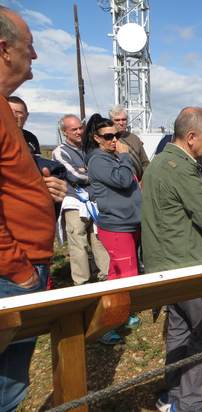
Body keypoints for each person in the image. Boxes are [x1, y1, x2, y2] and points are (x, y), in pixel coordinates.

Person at [141, 107, 202, 412]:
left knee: (179, 330)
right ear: (192, 137)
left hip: (163, 266)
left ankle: (172, 393)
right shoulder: (184, 169)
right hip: (191, 266)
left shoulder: (158, 163)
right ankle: (189, 403)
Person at [0, 6, 57, 410]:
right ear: (4, 49)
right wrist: (18, 271)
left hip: (19, 267)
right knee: (6, 387)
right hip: (10, 273)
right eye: (30, 47)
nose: (34, 56)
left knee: (12, 381)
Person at [83, 114, 142, 343]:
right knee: (124, 276)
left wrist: (124, 157)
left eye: (116, 135)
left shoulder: (112, 156)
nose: (114, 140)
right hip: (117, 225)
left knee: (119, 274)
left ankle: (119, 314)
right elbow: (123, 181)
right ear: (96, 138)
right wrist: (125, 158)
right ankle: (105, 325)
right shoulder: (98, 160)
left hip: (127, 223)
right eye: (108, 136)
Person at [52, 114, 110, 285]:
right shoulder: (60, 152)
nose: (79, 132)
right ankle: (82, 283)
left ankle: (107, 276)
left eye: (80, 128)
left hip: (94, 202)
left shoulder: (88, 149)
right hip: (74, 203)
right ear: (65, 132)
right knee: (78, 242)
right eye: (74, 129)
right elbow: (74, 175)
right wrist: (96, 174)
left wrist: (89, 171)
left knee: (99, 239)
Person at [109, 104, 150, 181]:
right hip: (120, 182)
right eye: (117, 120)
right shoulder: (107, 140)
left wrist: (143, 182)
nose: (121, 123)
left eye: (124, 119)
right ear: (111, 121)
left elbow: (145, 163)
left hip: (138, 185)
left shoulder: (135, 138)